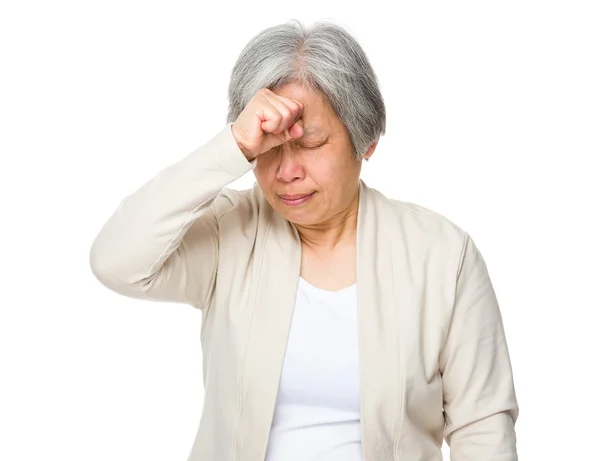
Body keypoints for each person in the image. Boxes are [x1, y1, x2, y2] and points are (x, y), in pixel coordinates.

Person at [89, 19, 519, 461]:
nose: (286, 171)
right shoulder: (229, 233)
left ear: (365, 140)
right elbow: (115, 261)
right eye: (267, 148)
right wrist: (232, 145)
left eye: (310, 144)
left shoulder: (443, 256)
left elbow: (483, 427)